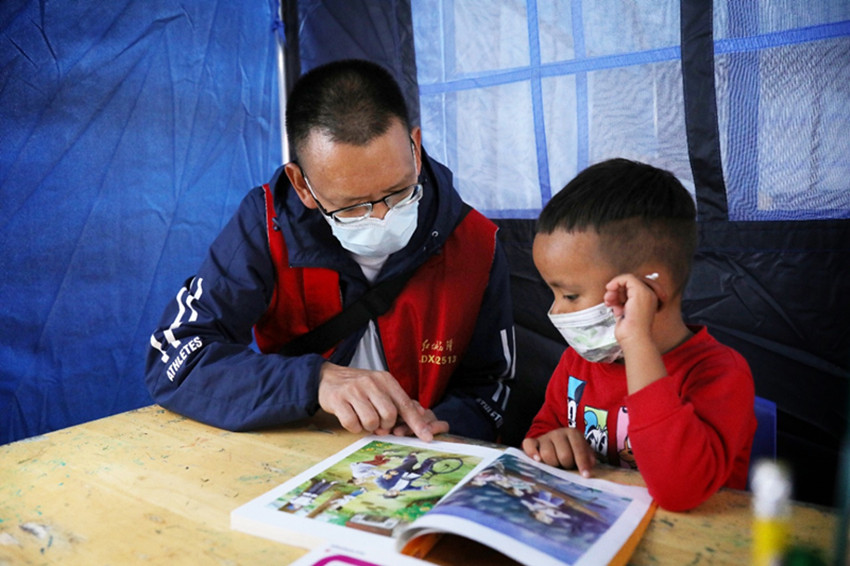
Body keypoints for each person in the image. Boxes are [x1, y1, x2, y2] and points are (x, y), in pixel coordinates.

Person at [145, 59, 514, 442]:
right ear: (302, 186)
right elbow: (177, 360)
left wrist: (443, 425)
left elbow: (493, 385)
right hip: (303, 448)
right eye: (352, 206)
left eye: (399, 192)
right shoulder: (268, 226)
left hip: (425, 454)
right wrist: (312, 381)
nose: (383, 217)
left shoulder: (475, 242)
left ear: (415, 149)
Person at [522, 158, 756, 511]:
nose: (556, 312)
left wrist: (636, 344)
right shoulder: (577, 363)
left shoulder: (720, 375)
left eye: (570, 295)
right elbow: (543, 430)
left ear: (647, 290)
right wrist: (550, 443)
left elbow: (679, 493)